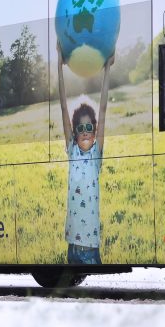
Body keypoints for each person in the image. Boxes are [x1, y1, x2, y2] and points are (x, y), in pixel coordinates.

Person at [56, 44, 111, 265]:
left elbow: (104, 110)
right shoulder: (73, 151)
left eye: (90, 128)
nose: (86, 133)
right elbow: (62, 108)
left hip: (91, 247)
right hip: (73, 245)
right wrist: (59, 67)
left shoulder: (96, 154)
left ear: (95, 131)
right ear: (75, 132)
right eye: (81, 128)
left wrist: (107, 70)